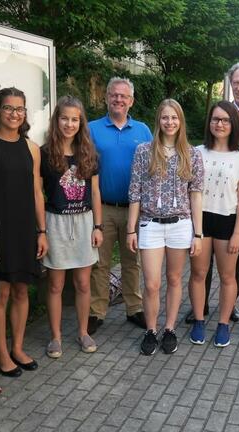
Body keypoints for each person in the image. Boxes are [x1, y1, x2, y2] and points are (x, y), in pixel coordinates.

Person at [185, 61, 239, 325]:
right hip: (204, 213)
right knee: (200, 269)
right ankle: (201, 309)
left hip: (238, 204)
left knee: (233, 268)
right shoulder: (199, 151)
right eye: (236, 82)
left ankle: (228, 311)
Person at [126, 99, 204, 355]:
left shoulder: (192, 154)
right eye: (165, 117)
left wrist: (198, 233)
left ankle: (169, 328)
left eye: (174, 118)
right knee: (151, 283)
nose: (169, 122)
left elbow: (196, 194)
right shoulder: (143, 151)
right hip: (151, 224)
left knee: (173, 278)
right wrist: (131, 229)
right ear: (158, 120)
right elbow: (135, 192)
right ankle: (151, 329)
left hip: (181, 225)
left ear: (180, 122)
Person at [0, 88, 48, 377]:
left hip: (24, 228)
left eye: (19, 109)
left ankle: (17, 346)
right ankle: (0, 353)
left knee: (22, 289)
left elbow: (37, 191)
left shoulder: (32, 147)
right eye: (8, 108)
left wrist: (42, 230)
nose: (14, 114)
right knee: (1, 292)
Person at [88, 77, 152, 334]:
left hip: (134, 208)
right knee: (99, 263)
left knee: (132, 261)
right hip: (102, 206)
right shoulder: (91, 128)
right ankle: (96, 311)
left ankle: (134, 308)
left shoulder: (143, 131)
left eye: (123, 96)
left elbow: (151, 168)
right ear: (106, 98)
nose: (118, 99)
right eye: (114, 95)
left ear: (131, 101)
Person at [41, 96, 103, 358]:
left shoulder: (89, 153)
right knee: (55, 284)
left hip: (84, 221)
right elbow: (37, 192)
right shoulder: (44, 153)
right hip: (56, 222)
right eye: (64, 118)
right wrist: (41, 230)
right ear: (57, 120)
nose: (69, 123)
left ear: (81, 122)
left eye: (74, 119)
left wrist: (97, 226)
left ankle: (82, 331)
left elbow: (96, 192)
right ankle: (55, 336)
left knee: (83, 283)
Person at [188, 100, 239, 347]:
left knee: (227, 276)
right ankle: (198, 320)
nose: (220, 124)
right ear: (209, 122)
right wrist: (194, 229)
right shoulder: (197, 152)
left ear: (233, 123)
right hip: (201, 221)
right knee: (198, 273)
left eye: (225, 120)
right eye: (216, 119)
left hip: (228, 222)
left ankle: (223, 323)